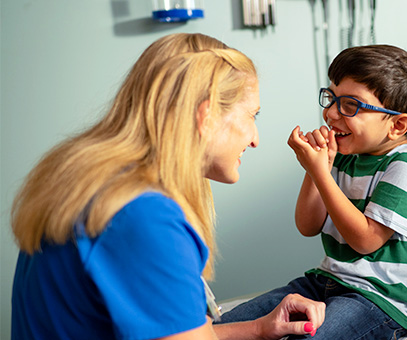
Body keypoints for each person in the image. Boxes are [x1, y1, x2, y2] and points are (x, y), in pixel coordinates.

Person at [10, 33, 325, 340]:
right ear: (208, 115)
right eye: (252, 115)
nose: (255, 139)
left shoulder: (91, 183)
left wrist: (258, 329)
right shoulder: (143, 216)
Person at [217, 45, 407, 339]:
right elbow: (307, 225)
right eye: (332, 97)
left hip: (379, 301)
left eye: (351, 105)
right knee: (224, 327)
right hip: (324, 282)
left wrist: (321, 171)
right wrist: (317, 167)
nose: (330, 112)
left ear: (397, 125)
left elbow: (366, 240)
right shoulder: (346, 156)